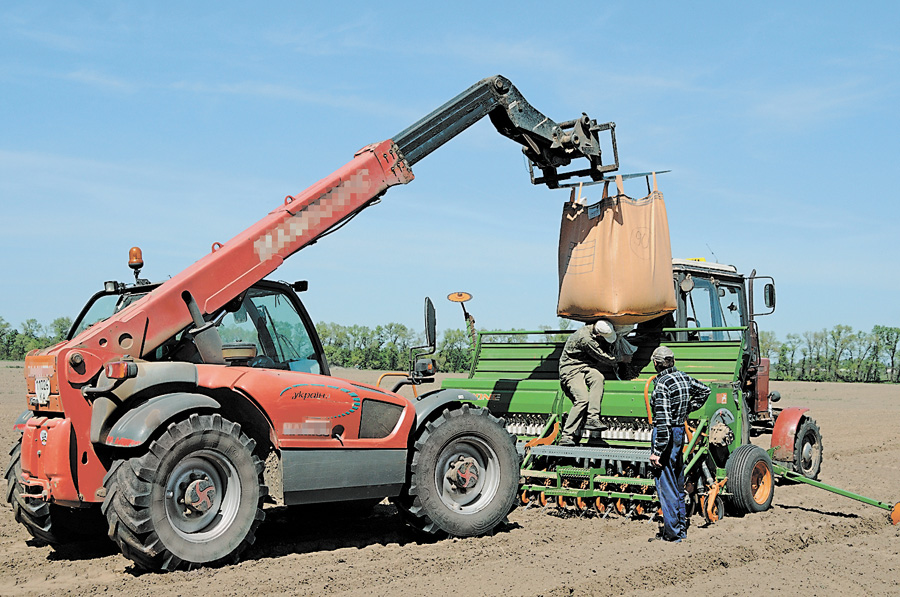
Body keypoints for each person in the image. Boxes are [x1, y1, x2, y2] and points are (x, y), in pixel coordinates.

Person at [647, 346, 710, 542]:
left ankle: (672, 534)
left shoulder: (662, 384)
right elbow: (705, 391)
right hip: (679, 432)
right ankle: (680, 528)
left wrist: (657, 451)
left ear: (656, 363)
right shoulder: (683, 377)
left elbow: (664, 422)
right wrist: (686, 410)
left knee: (666, 486)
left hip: (666, 433)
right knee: (677, 481)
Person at [557, 320, 621, 446]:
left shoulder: (594, 330)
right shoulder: (585, 338)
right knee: (582, 399)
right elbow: (602, 357)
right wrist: (620, 359)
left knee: (598, 377)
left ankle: (593, 418)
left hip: (585, 366)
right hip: (570, 369)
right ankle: (567, 435)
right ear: (598, 335)